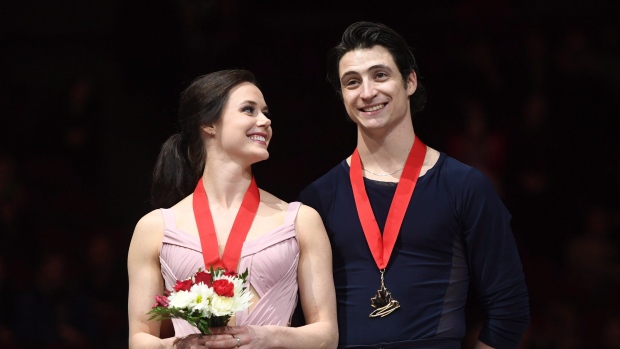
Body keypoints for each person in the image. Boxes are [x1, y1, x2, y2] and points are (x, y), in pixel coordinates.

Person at [298, 22, 530, 348]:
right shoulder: (317, 198)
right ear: (342, 96)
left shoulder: (464, 186)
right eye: (352, 82)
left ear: (409, 81)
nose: (367, 92)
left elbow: (509, 309)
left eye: (380, 75)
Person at [128, 69, 338, 349]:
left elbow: (326, 335)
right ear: (208, 123)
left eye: (266, 112)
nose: (264, 121)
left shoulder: (301, 220)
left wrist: (268, 337)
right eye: (248, 110)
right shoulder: (155, 228)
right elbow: (140, 338)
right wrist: (180, 345)